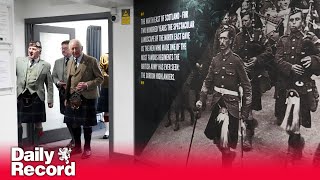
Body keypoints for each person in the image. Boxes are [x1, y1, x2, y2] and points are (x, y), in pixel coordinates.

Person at [196, 26, 252, 167]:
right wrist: (201, 99)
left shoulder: (236, 60)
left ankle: (226, 167)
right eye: (220, 38)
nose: (221, 41)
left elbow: (247, 87)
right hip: (217, 104)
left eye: (225, 38)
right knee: (216, 139)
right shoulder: (215, 60)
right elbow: (207, 81)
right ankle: (227, 157)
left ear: (231, 40)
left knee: (226, 143)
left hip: (232, 107)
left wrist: (244, 113)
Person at [275, 8, 320, 166]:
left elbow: (319, 58)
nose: (294, 23)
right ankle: (297, 141)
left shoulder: (309, 39)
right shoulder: (283, 40)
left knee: (295, 122)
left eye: (297, 20)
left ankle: (292, 150)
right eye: (291, 20)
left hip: (301, 87)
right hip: (285, 87)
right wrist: (290, 67)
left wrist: (313, 59)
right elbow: (277, 59)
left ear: (302, 21)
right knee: (286, 121)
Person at [232, 12, 274, 151]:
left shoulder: (259, 34)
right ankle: (246, 132)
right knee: (243, 106)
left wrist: (256, 60)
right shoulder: (237, 37)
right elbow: (233, 54)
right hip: (241, 77)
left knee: (249, 106)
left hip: (255, 77)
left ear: (251, 20)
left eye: (246, 20)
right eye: (242, 21)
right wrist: (241, 64)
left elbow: (269, 52)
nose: (244, 23)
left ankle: (248, 133)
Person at [64, 39, 103, 159]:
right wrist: (66, 97)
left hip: (88, 97)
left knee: (86, 125)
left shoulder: (91, 61)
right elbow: (69, 81)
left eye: (76, 48)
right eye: (72, 49)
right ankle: (77, 147)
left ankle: (87, 148)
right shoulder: (70, 61)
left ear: (82, 48)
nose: (74, 51)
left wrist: (87, 84)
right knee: (73, 123)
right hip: (73, 98)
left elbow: (100, 78)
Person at [16, 41, 54, 147]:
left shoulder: (45, 65)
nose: (30, 51)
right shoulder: (19, 61)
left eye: (33, 49)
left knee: (38, 122)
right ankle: (19, 144)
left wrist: (50, 100)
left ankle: (37, 144)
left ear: (39, 51)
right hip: (21, 96)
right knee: (18, 121)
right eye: (30, 48)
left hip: (37, 97)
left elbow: (49, 84)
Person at [52, 40, 74, 147]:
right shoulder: (58, 62)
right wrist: (58, 82)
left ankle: (76, 140)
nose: (63, 50)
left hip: (74, 94)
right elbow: (54, 76)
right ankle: (74, 139)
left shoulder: (76, 61)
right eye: (62, 48)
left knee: (73, 117)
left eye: (65, 48)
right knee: (67, 117)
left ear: (71, 49)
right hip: (62, 93)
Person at [97, 53, 109, 139]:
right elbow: (101, 70)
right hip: (106, 85)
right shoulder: (104, 56)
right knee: (107, 110)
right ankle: (107, 130)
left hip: (120, 86)